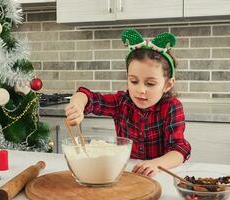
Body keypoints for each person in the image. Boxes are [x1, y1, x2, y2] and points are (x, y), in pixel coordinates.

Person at [65, 28, 191, 177]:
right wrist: (77, 106)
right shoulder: (121, 102)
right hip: (125, 172)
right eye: (134, 81)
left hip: (160, 173)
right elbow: (87, 96)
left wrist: (156, 163)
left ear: (167, 85)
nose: (141, 90)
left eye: (150, 83)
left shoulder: (172, 107)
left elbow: (179, 150)